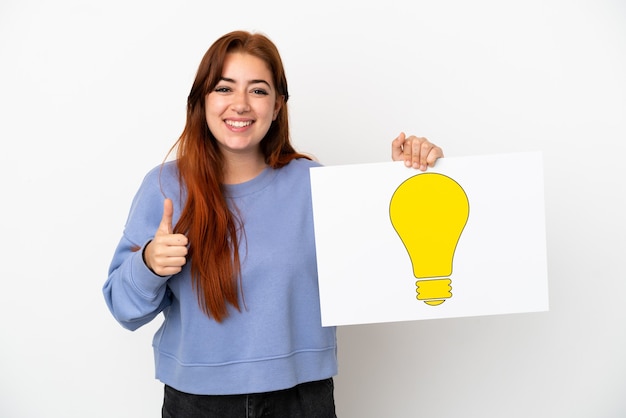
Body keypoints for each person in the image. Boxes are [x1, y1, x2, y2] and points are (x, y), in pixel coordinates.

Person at [103, 30, 443, 418]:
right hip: (197, 403)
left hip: (301, 399)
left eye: (259, 91)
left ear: (278, 105)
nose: (241, 105)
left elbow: (382, 269)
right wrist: (148, 263)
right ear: (202, 100)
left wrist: (407, 181)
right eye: (224, 88)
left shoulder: (314, 183)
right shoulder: (165, 186)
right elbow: (122, 308)